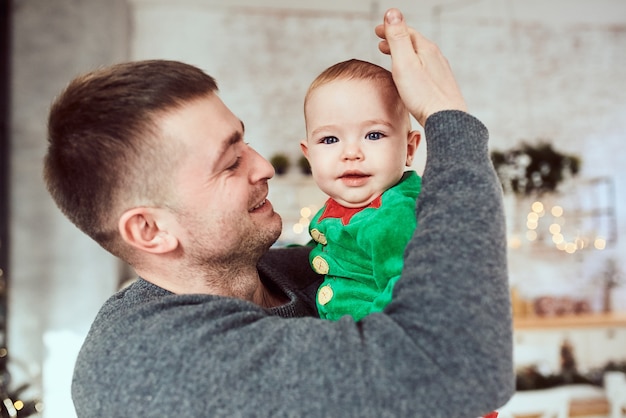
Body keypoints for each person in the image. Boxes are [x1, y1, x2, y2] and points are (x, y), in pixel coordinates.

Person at [44, 8, 514, 417]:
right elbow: (457, 364)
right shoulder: (148, 361)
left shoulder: (299, 266)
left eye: (245, 142)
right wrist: (449, 121)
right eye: (231, 162)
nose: (264, 166)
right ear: (150, 229)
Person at [300, 58, 422, 321]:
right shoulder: (340, 206)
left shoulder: (394, 215)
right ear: (309, 155)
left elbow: (407, 293)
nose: (351, 153)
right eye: (330, 139)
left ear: (409, 149)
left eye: (374, 135)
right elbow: (326, 248)